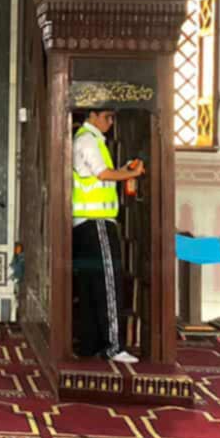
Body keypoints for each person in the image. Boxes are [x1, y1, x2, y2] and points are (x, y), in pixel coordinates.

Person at [72, 107, 145, 362]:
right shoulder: (88, 140)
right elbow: (103, 174)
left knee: (91, 285)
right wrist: (132, 173)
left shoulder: (88, 140)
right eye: (107, 117)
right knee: (109, 283)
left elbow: (100, 176)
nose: (111, 122)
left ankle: (90, 346)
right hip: (97, 222)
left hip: (85, 223)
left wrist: (122, 170)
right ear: (92, 115)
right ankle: (114, 347)